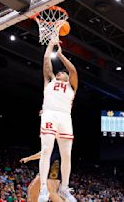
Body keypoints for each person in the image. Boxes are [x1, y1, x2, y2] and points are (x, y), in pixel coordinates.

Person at [38, 37, 78, 202]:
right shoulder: (50, 80)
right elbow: (46, 60)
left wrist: (61, 56)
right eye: (60, 71)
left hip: (65, 117)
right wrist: (51, 45)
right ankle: (43, 189)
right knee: (46, 150)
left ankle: (64, 188)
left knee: (66, 155)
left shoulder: (72, 85)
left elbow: (74, 71)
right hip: (50, 114)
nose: (61, 72)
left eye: (64, 72)